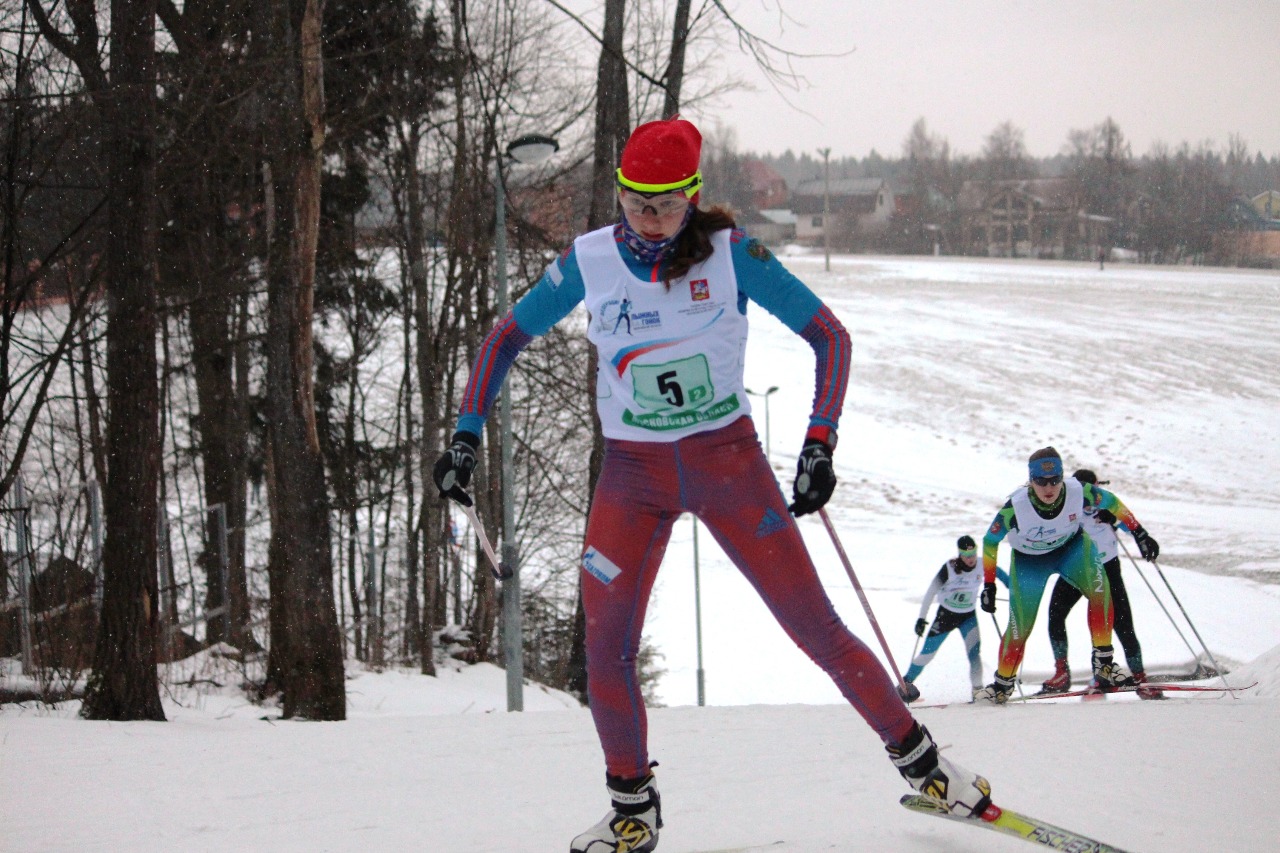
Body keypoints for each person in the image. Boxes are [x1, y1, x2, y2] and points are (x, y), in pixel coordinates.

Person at [432, 116, 991, 853]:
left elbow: (831, 335)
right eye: (635, 202)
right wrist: (468, 432)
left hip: (728, 466)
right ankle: (633, 806)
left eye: (666, 204)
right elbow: (507, 336)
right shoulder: (590, 259)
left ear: (693, 195)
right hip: (632, 476)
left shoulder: (734, 256)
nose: (649, 220)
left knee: (815, 629)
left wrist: (819, 440)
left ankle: (928, 768)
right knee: (605, 647)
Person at [975, 447, 1160, 704]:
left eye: (1055, 480)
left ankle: (1104, 663)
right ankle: (1001, 685)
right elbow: (990, 541)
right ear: (1031, 481)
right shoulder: (1015, 507)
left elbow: (1114, 504)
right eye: (1041, 482)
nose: (1049, 488)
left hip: (1071, 550)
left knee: (1100, 591)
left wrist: (1140, 534)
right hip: (1030, 562)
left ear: (1062, 477)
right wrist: (989, 585)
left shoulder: (1079, 491)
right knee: (1020, 626)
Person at [1040, 469, 1163, 699]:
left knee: (1123, 625)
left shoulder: (1105, 503)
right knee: (1055, 614)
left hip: (1107, 570)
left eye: (1092, 493)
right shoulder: (1067, 504)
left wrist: (1115, 520)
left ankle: (1139, 678)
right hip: (1077, 570)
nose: (1087, 499)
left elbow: (1130, 525)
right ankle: (1061, 673)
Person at [898, 536, 1009, 703]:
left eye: (973, 554)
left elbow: (1003, 577)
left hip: (968, 618)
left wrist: (1016, 590)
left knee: (974, 654)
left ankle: (977, 691)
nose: (971, 559)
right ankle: (903, 687)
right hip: (945, 617)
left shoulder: (982, 564)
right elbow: (931, 592)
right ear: (960, 554)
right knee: (927, 655)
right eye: (967, 555)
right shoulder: (949, 568)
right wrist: (921, 618)